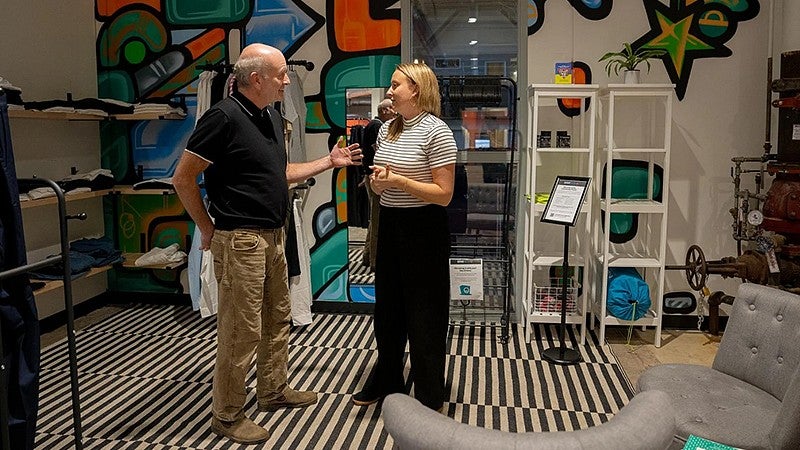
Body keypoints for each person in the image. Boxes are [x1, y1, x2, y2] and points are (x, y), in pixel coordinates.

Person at [173, 43, 362, 444]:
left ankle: (273, 391)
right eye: (281, 75)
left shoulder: (271, 116)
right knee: (241, 330)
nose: (286, 80)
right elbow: (183, 178)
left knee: (278, 318)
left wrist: (329, 162)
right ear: (256, 79)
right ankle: (226, 414)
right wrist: (207, 228)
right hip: (239, 240)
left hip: (276, 235)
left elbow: (281, 172)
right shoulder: (221, 117)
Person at [352, 63, 457, 411]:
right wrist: (379, 182)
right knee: (388, 310)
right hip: (391, 223)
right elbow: (383, 179)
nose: (390, 91)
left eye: (395, 85)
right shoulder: (387, 129)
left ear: (416, 89)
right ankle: (388, 378)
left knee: (425, 312)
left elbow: (444, 194)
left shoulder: (437, 131)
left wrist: (397, 181)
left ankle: (429, 391)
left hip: (425, 228)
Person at [361, 98, 395, 268]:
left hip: (372, 176)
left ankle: (368, 256)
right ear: (383, 111)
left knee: (374, 218)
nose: (395, 112)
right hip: (376, 178)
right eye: (391, 109)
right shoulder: (377, 126)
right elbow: (378, 152)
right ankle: (375, 261)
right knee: (377, 219)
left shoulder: (373, 125)